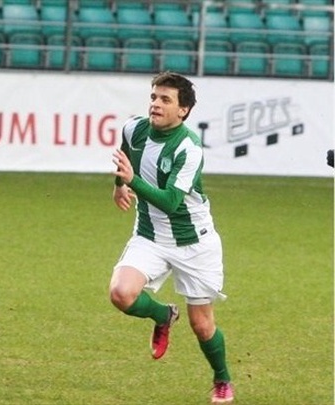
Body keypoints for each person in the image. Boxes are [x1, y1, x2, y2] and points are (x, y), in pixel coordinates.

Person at [109, 72, 234, 404]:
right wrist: (119, 185)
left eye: (166, 100)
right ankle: (163, 315)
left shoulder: (188, 148)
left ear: (183, 110)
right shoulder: (133, 128)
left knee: (202, 326)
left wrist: (132, 181)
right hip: (150, 236)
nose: (156, 104)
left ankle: (222, 378)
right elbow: (125, 155)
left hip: (194, 243)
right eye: (154, 97)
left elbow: (170, 202)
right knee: (121, 293)